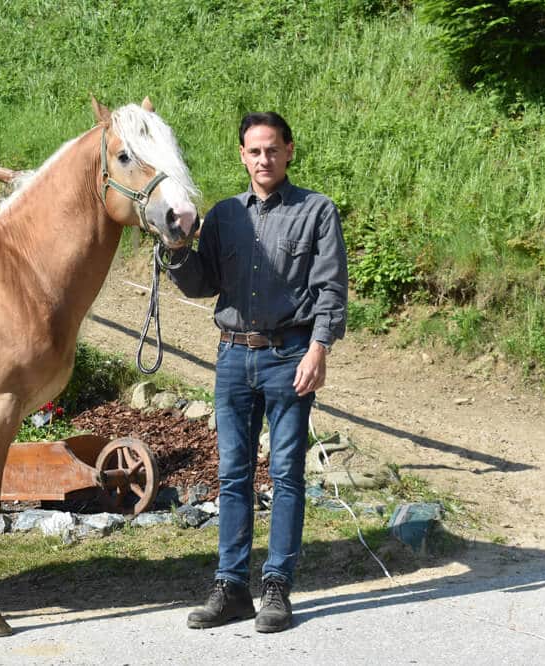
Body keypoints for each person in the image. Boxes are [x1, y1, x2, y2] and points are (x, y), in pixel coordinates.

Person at [167, 112, 347, 633]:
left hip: (290, 356)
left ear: (289, 151)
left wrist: (319, 350)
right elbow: (203, 284)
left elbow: (331, 288)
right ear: (242, 155)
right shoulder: (224, 216)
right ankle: (230, 587)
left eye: (272, 150)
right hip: (231, 358)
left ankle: (276, 588)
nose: (263, 159)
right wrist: (177, 249)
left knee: (287, 474)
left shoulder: (316, 211)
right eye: (253, 151)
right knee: (233, 475)